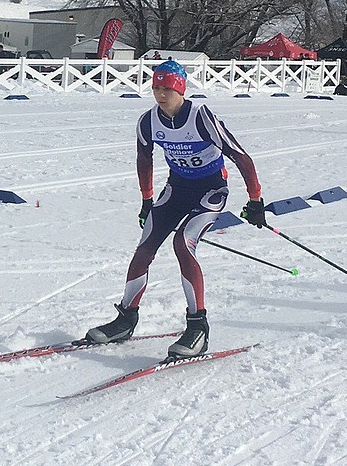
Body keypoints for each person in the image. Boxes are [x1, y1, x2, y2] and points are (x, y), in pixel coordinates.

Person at [86, 59, 265, 360]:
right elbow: (144, 160)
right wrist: (146, 200)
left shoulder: (200, 116)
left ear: (180, 88)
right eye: (156, 88)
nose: (160, 94)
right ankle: (126, 319)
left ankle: (198, 328)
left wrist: (256, 200)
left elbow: (241, 157)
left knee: (183, 243)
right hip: (177, 190)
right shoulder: (148, 121)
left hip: (211, 191)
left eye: (167, 88)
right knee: (145, 247)